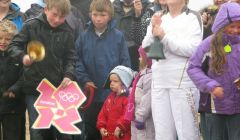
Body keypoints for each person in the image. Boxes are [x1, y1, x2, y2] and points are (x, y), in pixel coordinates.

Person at [8, 0, 76, 139]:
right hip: (34, 88)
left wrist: (68, 75)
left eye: (62, 17)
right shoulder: (31, 25)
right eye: (54, 14)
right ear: (46, 9)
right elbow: (13, 46)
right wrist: (23, 57)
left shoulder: (68, 31)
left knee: (62, 131)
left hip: (58, 89)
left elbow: (71, 58)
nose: (57, 20)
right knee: (38, 131)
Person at [141, 0, 203, 139]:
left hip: (182, 84)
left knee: (187, 134)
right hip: (159, 83)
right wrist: (152, 31)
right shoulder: (159, 17)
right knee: (163, 135)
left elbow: (194, 50)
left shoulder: (193, 17)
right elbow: (146, 50)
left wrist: (164, 37)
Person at [75, 0, 131, 139]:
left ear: (110, 16)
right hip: (90, 93)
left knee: (111, 130)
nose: (98, 18)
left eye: (103, 15)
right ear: (90, 14)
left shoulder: (118, 36)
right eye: (95, 14)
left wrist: (121, 85)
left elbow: (125, 64)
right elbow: (76, 60)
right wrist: (85, 79)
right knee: (92, 129)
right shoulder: (83, 36)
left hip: (113, 95)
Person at [187, 2, 240, 140]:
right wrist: (210, 85)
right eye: (232, 26)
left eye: (239, 27)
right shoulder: (209, 44)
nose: (236, 30)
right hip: (216, 107)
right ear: (222, 25)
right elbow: (193, 67)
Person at [0, 19, 25, 140]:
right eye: (0, 38)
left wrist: (14, 90)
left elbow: (25, 75)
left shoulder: (19, 56)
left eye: (7, 39)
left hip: (14, 105)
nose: (3, 42)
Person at [113, 0, 154, 71]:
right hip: (115, 55)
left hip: (136, 56)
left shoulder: (148, 7)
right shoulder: (113, 6)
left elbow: (146, 35)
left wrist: (138, 15)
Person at [97, 65, 135, 140]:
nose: (111, 83)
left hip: (122, 135)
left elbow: (127, 115)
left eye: (115, 81)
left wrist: (120, 126)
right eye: (111, 81)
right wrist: (101, 126)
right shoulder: (110, 97)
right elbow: (103, 113)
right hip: (108, 135)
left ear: (124, 82)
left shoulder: (127, 99)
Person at [125, 46, 154, 140]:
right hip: (135, 117)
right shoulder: (141, 75)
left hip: (144, 120)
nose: (138, 58)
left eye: (141, 56)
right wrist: (128, 91)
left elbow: (147, 99)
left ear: (147, 59)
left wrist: (141, 117)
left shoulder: (149, 77)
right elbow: (136, 92)